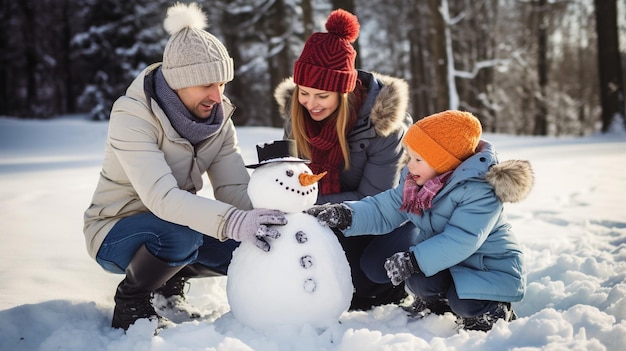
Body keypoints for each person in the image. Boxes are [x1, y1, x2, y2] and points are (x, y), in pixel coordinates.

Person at [83, 2, 287, 331]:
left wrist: (277, 218)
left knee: (245, 246)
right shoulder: (132, 116)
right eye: (206, 84)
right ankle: (131, 301)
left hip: (178, 224)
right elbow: (161, 197)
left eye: (222, 84)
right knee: (181, 236)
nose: (216, 95)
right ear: (178, 82)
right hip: (114, 228)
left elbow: (232, 189)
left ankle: (167, 287)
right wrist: (233, 221)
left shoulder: (219, 121)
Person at [307, 110, 533, 331]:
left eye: (418, 159)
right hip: (446, 261)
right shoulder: (416, 182)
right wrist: (347, 214)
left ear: (444, 162)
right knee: (418, 280)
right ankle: (438, 303)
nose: (410, 165)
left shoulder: (479, 191)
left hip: (487, 267)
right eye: (409, 156)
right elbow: (384, 208)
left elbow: (462, 239)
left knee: (465, 302)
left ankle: (492, 310)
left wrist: (415, 259)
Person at [273, 9, 419, 311]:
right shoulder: (297, 117)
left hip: (388, 218)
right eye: (305, 92)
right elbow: (288, 179)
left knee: (366, 276)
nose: (310, 103)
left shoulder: (383, 128)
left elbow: (374, 199)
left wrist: (306, 205)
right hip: (327, 215)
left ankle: (399, 287)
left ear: (344, 92)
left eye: (322, 96)